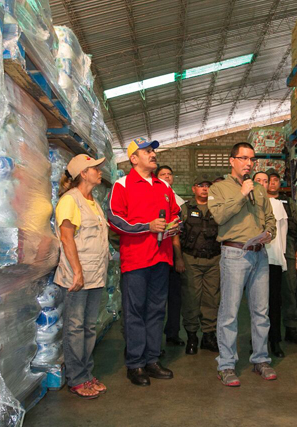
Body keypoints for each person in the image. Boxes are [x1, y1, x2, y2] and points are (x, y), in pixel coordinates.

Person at [107, 137, 181, 386]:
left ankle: (152, 359)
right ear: (133, 158)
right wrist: (147, 227)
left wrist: (173, 226)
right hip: (137, 259)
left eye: (153, 151)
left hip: (162, 257)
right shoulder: (122, 184)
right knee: (135, 312)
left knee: (157, 310)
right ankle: (135, 364)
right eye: (147, 151)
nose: (152, 154)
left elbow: (176, 216)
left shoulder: (164, 186)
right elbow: (116, 220)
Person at [208, 142, 277, 387]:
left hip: (260, 254)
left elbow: (270, 218)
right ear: (232, 160)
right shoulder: (219, 188)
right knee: (229, 311)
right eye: (243, 158)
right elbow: (219, 216)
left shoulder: (260, 189)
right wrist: (241, 194)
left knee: (261, 311)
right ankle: (226, 364)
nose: (249, 163)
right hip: (234, 254)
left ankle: (260, 359)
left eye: (252, 159)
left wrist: (270, 232)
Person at [54, 154, 110, 399]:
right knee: (75, 328)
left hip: (95, 275)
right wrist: (77, 271)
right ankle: (76, 379)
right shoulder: (70, 201)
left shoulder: (93, 202)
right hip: (78, 276)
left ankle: (87, 374)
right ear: (82, 173)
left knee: (89, 327)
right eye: (94, 168)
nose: (99, 170)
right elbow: (67, 238)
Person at [178, 174, 221, 355]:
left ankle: (209, 336)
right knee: (191, 298)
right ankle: (192, 336)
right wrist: (178, 258)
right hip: (190, 259)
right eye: (201, 185)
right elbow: (176, 234)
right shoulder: (185, 209)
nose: (204, 188)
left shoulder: (219, 208)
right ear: (193, 188)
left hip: (214, 260)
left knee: (211, 298)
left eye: (208, 185)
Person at [266, 169, 297, 346]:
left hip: (286, 250)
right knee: (265, 294)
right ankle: (266, 331)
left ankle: (291, 327)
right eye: (269, 180)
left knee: (289, 290)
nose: (272, 183)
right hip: (265, 251)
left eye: (275, 180)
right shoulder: (259, 201)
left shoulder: (288, 203)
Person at [253, 171, 287, 358]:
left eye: (265, 181)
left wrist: (282, 259)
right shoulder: (247, 203)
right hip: (252, 259)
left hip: (272, 259)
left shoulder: (277, 205)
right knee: (256, 304)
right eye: (258, 180)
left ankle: (275, 341)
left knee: (274, 303)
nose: (262, 184)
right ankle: (257, 341)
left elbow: (282, 235)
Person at [155, 165, 185, 347]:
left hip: (173, 254)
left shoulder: (179, 202)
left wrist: (179, 257)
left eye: (169, 174)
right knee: (157, 301)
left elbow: (178, 232)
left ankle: (172, 333)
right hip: (157, 254)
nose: (166, 177)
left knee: (175, 298)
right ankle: (155, 341)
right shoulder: (155, 197)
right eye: (162, 174)